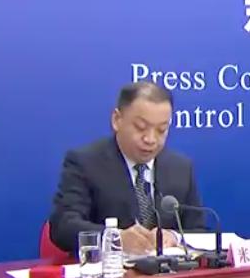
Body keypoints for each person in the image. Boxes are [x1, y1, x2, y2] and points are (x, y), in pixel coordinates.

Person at [49, 82, 203, 254]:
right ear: (117, 120)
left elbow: (199, 230)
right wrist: (116, 239)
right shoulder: (85, 162)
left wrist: (175, 236)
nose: (150, 139)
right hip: (109, 268)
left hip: (167, 269)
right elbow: (63, 226)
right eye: (140, 127)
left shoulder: (181, 168)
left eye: (161, 130)